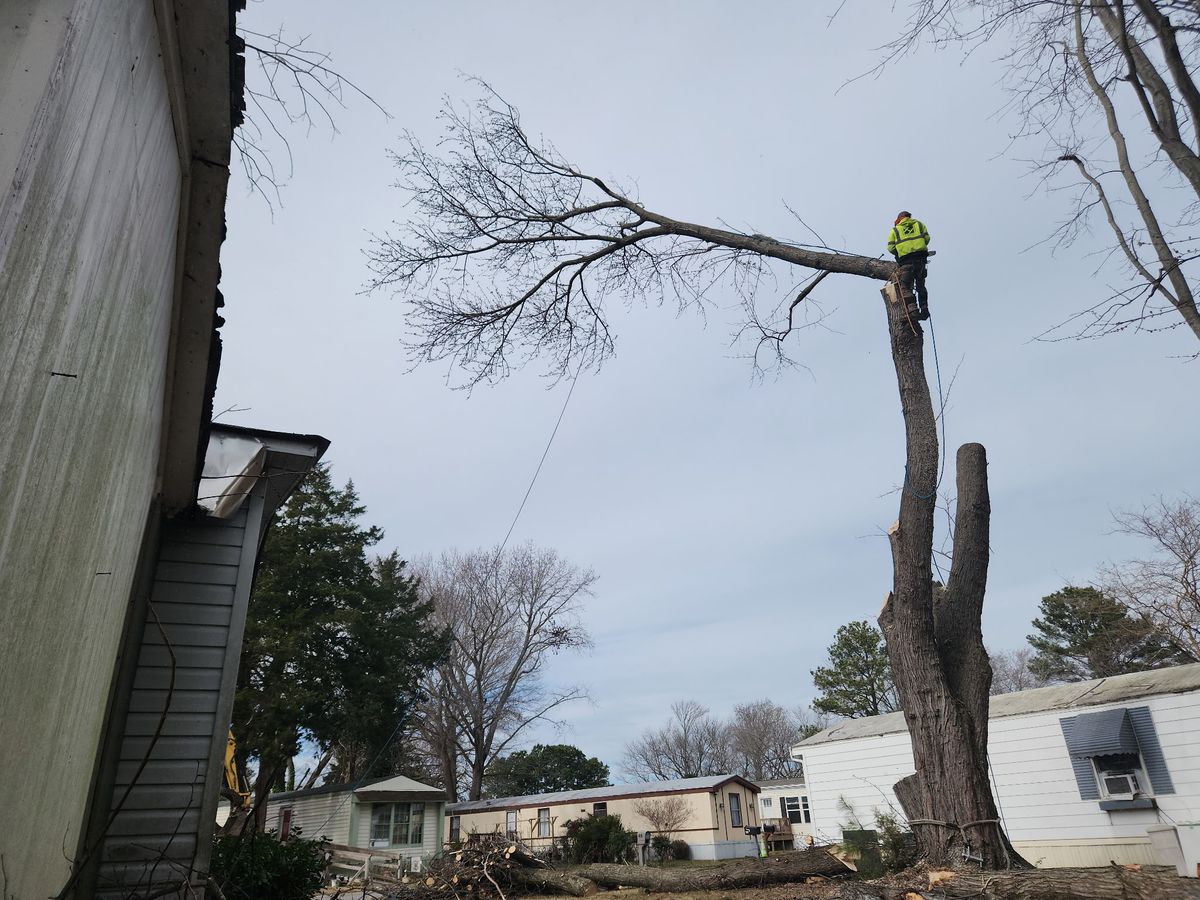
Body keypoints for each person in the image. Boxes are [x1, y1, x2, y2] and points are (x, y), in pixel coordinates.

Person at [887, 211, 931, 319]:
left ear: (899, 219)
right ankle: (924, 310)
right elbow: (927, 239)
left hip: (906, 262)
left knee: (904, 287)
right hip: (921, 261)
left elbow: (890, 248)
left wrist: (900, 251)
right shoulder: (919, 224)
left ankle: (913, 309)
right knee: (921, 286)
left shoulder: (895, 230)